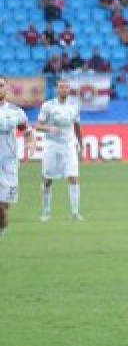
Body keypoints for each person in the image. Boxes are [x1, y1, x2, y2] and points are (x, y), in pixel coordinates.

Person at [35, 80, 84, 222]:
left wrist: (81, 145)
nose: (64, 89)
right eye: (61, 87)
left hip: (69, 145)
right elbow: (38, 126)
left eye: (66, 87)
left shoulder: (74, 106)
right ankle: (46, 212)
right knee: (47, 179)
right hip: (52, 145)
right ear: (57, 89)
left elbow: (77, 127)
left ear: (69, 90)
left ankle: (75, 213)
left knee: (73, 177)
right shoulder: (48, 106)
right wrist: (49, 129)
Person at [0, 76, 34, 240]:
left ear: (6, 88)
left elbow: (27, 131)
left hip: (9, 163)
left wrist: (30, 143)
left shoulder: (15, 111)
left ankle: (2, 228)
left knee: (3, 206)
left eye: (1, 85)